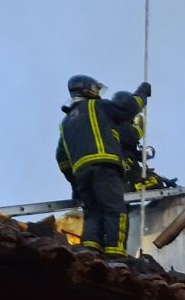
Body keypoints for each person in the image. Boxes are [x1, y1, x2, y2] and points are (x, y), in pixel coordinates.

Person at [56, 75, 150, 257]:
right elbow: (127, 108)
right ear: (88, 90)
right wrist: (143, 93)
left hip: (82, 174)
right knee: (115, 209)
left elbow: (61, 158)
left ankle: (91, 249)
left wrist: (75, 184)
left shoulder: (65, 123)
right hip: (105, 166)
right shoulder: (98, 107)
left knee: (93, 211)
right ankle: (116, 254)